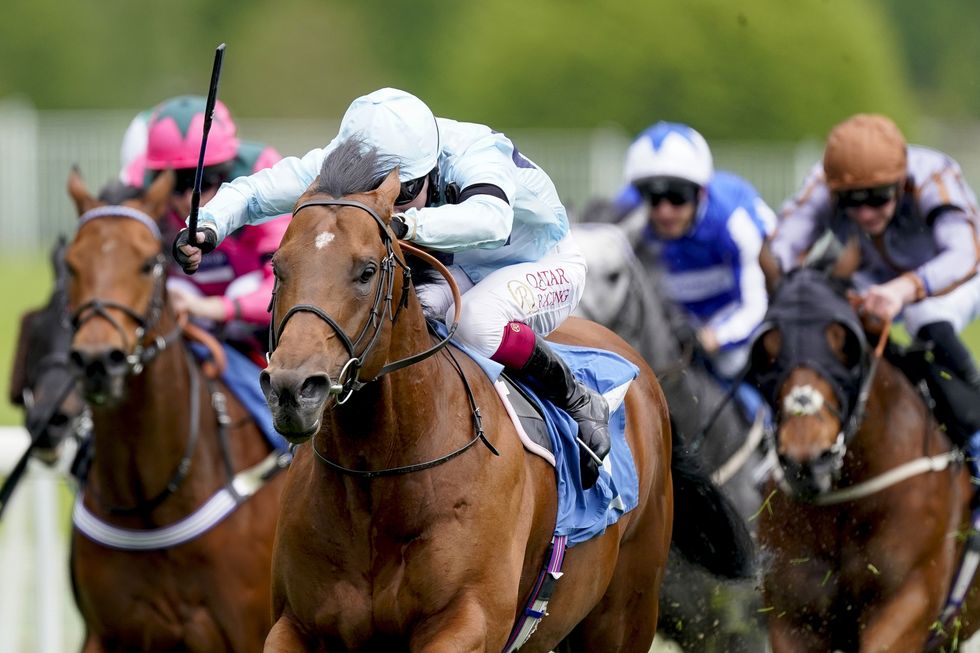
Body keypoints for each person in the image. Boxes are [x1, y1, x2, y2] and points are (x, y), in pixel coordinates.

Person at [171, 87, 610, 488]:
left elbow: (492, 219)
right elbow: (255, 192)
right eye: (370, 190)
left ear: (431, 167)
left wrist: (400, 221)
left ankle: (575, 397)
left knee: (475, 321)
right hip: (456, 269)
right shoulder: (344, 161)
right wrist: (206, 226)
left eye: (405, 191)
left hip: (540, 263)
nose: (387, 199)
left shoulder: (476, 151)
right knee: (402, 313)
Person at [771, 112, 980, 497]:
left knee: (924, 316)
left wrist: (905, 288)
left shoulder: (934, 176)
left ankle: (976, 443)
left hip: (949, 278)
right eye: (852, 202)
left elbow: (965, 253)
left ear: (901, 184)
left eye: (878, 199)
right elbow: (782, 249)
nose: (865, 213)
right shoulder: (821, 183)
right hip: (871, 280)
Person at [135, 95, 290, 367]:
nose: (187, 199)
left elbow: (286, 286)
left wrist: (214, 309)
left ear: (226, 173)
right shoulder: (139, 185)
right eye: (175, 185)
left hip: (251, 322)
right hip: (181, 314)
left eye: (203, 182)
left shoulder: (264, 180)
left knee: (245, 291)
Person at [620, 121, 777, 388]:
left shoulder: (734, 222)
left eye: (677, 197)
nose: (664, 212)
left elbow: (754, 306)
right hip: (673, 329)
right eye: (653, 198)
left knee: (733, 364)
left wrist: (712, 339)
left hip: (732, 331)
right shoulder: (627, 214)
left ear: (701, 192)